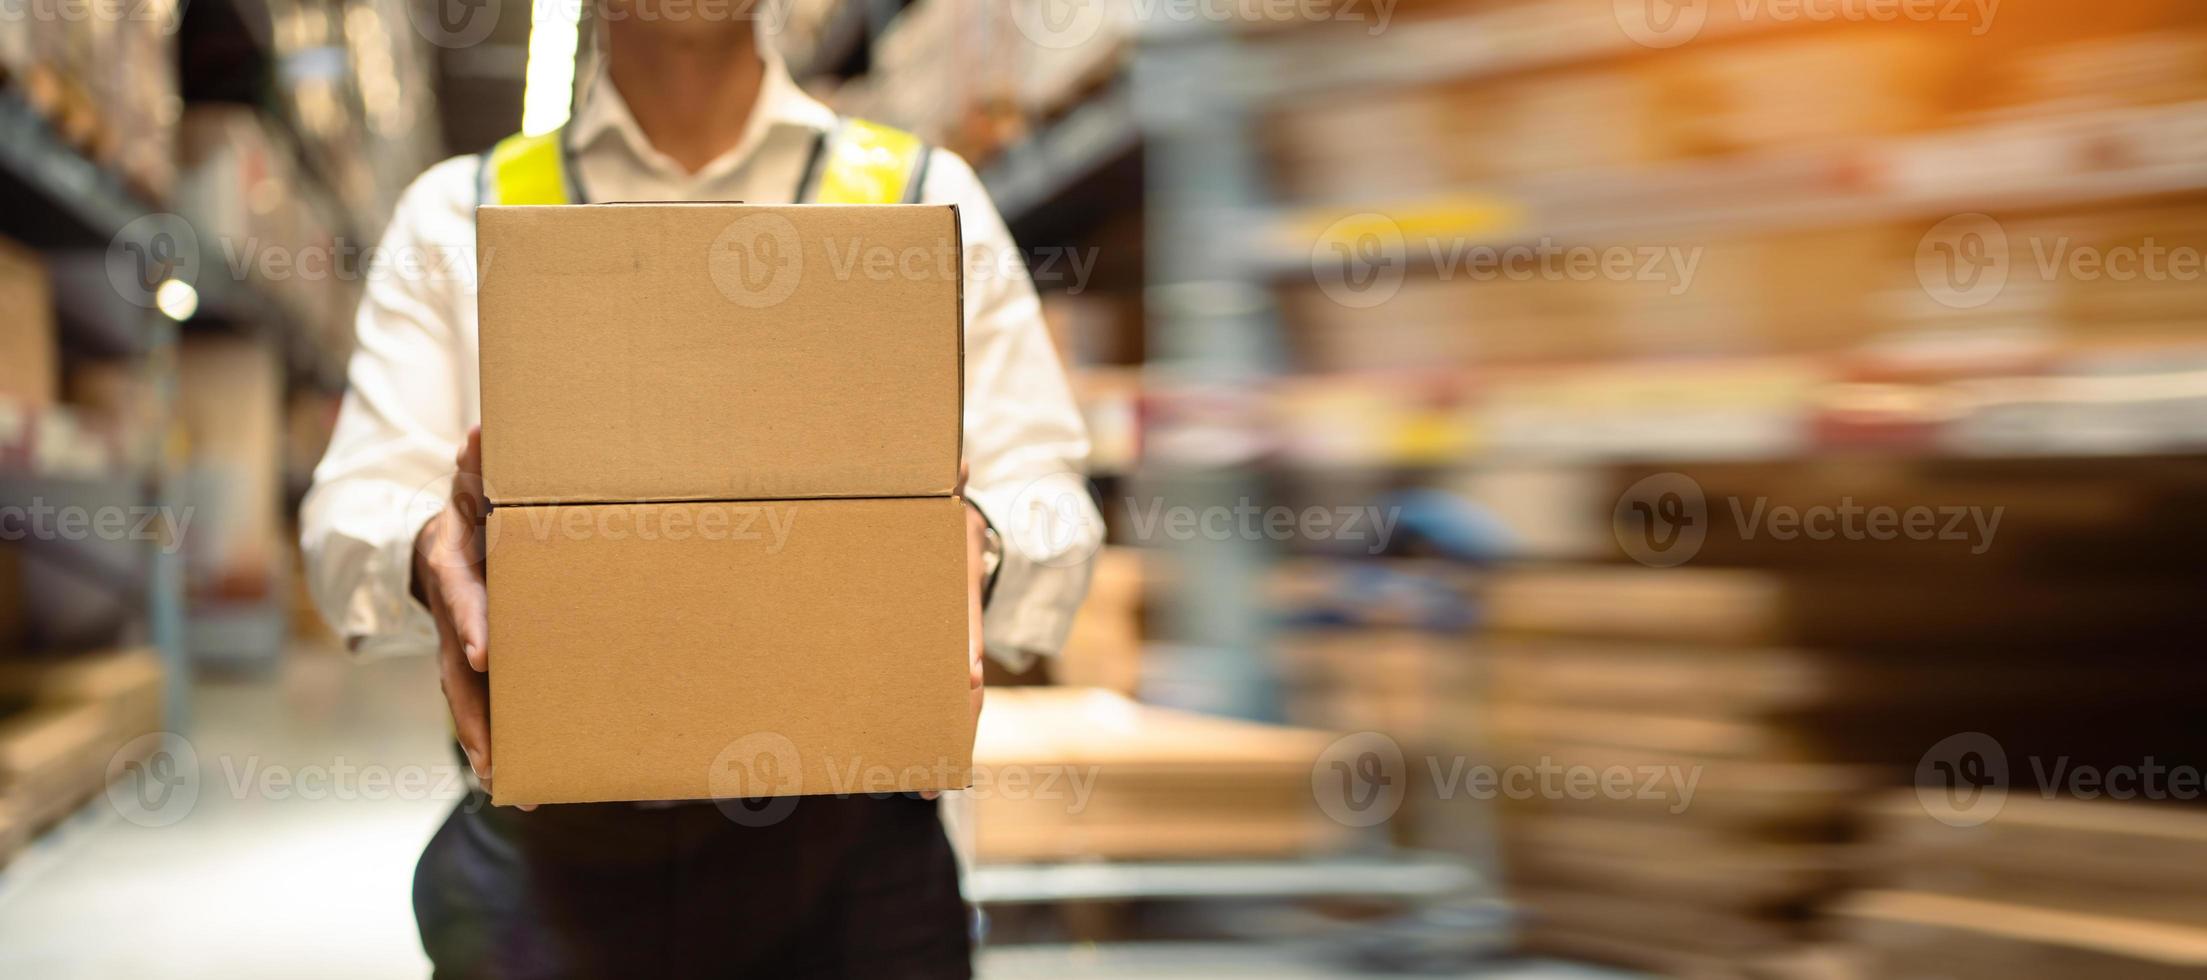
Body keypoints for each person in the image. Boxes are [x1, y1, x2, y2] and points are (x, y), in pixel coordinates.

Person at [299, 3, 1100, 975]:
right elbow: (353, 511)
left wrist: (979, 541)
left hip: (850, 867)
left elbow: (1046, 493)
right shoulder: (458, 212)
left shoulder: (919, 199)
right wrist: (428, 553)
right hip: (552, 865)